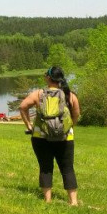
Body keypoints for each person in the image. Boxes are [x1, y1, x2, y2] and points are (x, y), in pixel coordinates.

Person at [19, 66, 81, 205]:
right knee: (67, 168)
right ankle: (73, 202)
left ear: (48, 78)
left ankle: (47, 200)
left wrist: (29, 125)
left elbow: (23, 106)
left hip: (41, 137)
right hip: (65, 137)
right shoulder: (69, 95)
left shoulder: (38, 94)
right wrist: (70, 126)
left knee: (45, 167)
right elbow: (76, 114)